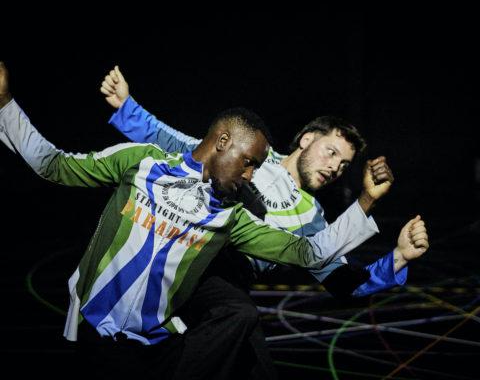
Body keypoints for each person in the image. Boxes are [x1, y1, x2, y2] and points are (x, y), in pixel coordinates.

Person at [0, 62, 430, 379]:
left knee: (245, 329)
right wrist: (128, 108)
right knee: (235, 315)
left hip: (218, 279)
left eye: (345, 165)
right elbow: (180, 146)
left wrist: (393, 254)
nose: (337, 168)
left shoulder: (306, 217)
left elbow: (332, 272)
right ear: (306, 140)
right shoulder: (245, 156)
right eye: (332, 153)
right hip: (183, 279)